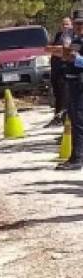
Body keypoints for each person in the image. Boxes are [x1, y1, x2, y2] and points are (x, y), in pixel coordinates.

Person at [57, 12, 83, 171]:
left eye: (82, 24)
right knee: (75, 121)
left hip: (81, 86)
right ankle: (75, 156)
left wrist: (77, 59)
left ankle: (78, 158)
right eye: (77, 24)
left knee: (79, 122)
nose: (79, 27)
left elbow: (78, 59)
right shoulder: (75, 40)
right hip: (72, 84)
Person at [50, 17, 73, 127]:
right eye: (63, 24)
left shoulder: (72, 36)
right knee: (57, 94)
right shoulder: (59, 35)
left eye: (67, 24)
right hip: (56, 69)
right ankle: (57, 117)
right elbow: (53, 49)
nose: (65, 26)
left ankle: (64, 118)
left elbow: (67, 50)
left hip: (66, 69)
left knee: (65, 94)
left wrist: (57, 49)